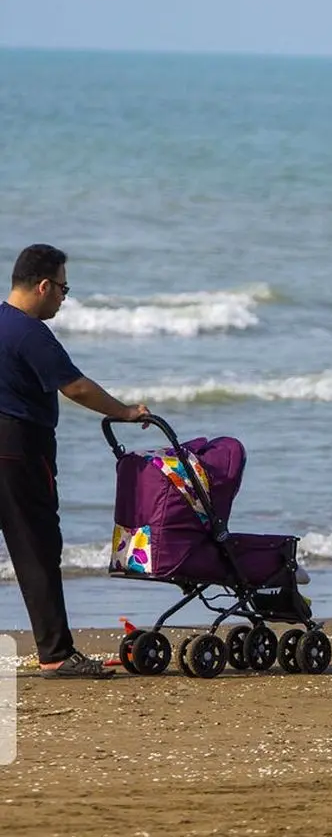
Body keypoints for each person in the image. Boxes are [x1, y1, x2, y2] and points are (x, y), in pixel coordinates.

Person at [0, 244, 150, 678]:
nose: (65, 297)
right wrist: (124, 412)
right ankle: (56, 654)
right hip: (19, 450)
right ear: (43, 286)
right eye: (63, 288)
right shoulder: (30, 333)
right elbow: (76, 387)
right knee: (37, 550)